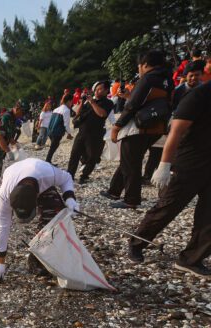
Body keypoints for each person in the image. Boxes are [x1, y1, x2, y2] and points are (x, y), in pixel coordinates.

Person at [127, 81, 211, 277]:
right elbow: (176, 130)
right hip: (191, 160)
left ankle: (191, 259)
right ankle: (137, 242)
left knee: (209, 216)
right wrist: (164, 165)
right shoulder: (201, 95)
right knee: (168, 206)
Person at [0, 158, 78, 280]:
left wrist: (69, 197)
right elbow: (3, 227)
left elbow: (67, 178)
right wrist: (0, 262)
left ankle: (38, 258)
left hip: (40, 181)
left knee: (53, 216)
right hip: (12, 176)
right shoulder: (5, 195)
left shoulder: (49, 174)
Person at [103, 50, 173, 209]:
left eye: (139, 66)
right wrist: (128, 95)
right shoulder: (167, 79)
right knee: (130, 159)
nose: (139, 69)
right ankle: (114, 190)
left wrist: (117, 126)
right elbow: (149, 101)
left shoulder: (148, 78)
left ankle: (131, 199)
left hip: (139, 127)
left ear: (145, 64)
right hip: (156, 126)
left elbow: (132, 106)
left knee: (130, 163)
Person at [67, 81, 114, 183]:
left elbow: (102, 114)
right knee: (74, 154)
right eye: (96, 89)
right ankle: (69, 175)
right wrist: (81, 103)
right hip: (82, 131)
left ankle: (84, 176)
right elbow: (78, 113)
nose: (97, 91)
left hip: (95, 134)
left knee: (92, 157)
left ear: (106, 90)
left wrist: (92, 102)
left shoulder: (108, 102)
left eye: (100, 89)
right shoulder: (88, 101)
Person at [45, 94, 74, 164]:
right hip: (57, 132)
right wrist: (69, 133)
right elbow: (66, 124)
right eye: (71, 101)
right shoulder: (66, 110)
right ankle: (47, 162)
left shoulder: (56, 109)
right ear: (68, 101)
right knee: (53, 147)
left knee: (53, 146)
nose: (72, 103)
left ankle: (48, 161)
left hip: (50, 130)